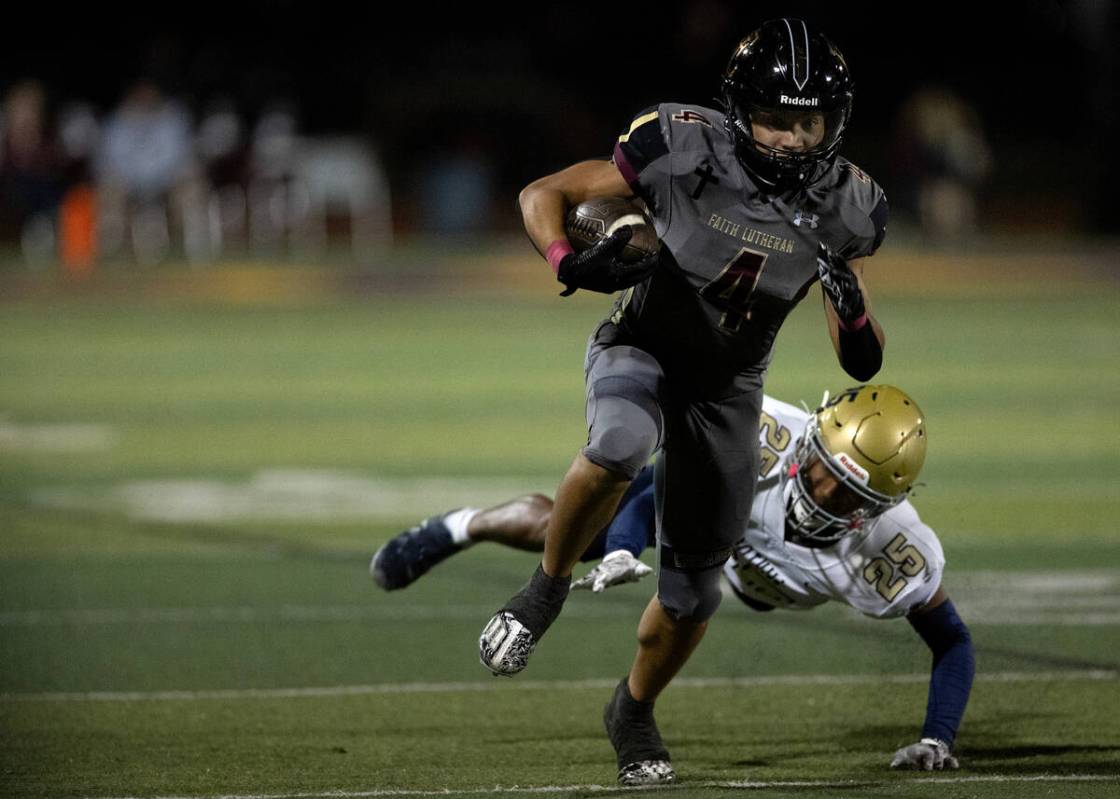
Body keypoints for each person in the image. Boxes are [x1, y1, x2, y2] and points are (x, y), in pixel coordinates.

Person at [470, 17, 890, 782]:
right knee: (621, 444)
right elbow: (545, 193)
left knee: (695, 590)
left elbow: (860, 359)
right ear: (739, 110)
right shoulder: (684, 143)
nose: (794, 138)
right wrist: (569, 258)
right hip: (644, 345)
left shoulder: (848, 205)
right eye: (775, 118)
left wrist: (853, 305)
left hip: (729, 387)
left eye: (809, 121)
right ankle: (545, 590)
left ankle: (632, 710)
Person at [374, 385, 973, 783]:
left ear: (880, 504)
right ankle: (464, 526)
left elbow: (952, 641)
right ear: (809, 443)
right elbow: (661, 479)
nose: (820, 493)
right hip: (711, 513)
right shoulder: (760, 436)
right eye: (818, 470)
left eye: (845, 492)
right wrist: (622, 548)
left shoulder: (894, 550)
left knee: (696, 588)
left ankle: (629, 710)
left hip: (754, 568)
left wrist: (936, 739)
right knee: (577, 535)